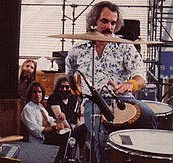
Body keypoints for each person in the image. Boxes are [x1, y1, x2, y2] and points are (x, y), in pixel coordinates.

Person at [65, 1, 157, 162]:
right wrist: (75, 91)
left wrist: (131, 84)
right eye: (105, 21)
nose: (110, 27)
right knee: (101, 137)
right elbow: (70, 72)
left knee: (149, 115)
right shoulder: (78, 49)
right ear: (94, 21)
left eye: (113, 23)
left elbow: (141, 75)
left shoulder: (125, 47)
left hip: (124, 98)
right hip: (93, 101)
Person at [21, 81, 70, 162]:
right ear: (30, 94)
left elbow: (50, 120)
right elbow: (35, 130)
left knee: (69, 135)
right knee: (65, 138)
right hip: (39, 142)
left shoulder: (40, 106)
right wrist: (54, 127)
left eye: (39, 92)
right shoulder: (28, 109)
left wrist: (58, 120)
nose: (37, 94)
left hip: (48, 138)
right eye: (34, 92)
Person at [46, 76, 87, 158]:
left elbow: (76, 120)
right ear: (57, 87)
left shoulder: (73, 100)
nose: (64, 89)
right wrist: (73, 132)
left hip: (70, 128)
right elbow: (60, 116)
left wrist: (81, 128)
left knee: (85, 128)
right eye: (61, 87)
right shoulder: (53, 98)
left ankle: (82, 153)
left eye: (67, 87)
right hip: (58, 128)